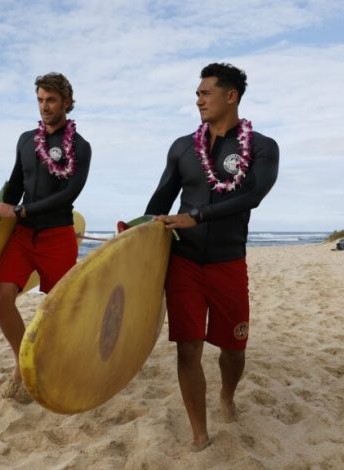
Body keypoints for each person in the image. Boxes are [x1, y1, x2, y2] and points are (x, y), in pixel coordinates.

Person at [144, 63, 279, 450]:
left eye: (205, 93)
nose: (198, 99)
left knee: (234, 349)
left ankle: (227, 396)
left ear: (230, 96)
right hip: (184, 263)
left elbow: (250, 196)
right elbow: (160, 200)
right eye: (198, 93)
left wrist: (197, 216)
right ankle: (199, 432)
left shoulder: (262, 147)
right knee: (188, 347)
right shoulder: (183, 147)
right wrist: (137, 230)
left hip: (228, 262)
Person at [0, 72, 91, 403]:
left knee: (59, 311)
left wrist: (19, 212)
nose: (45, 107)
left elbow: (68, 194)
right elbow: (16, 185)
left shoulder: (80, 148)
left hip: (57, 236)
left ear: (67, 103)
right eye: (40, 100)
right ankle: (24, 363)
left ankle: (60, 364)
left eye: (51, 100)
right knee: (2, 296)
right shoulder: (26, 140)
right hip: (22, 236)